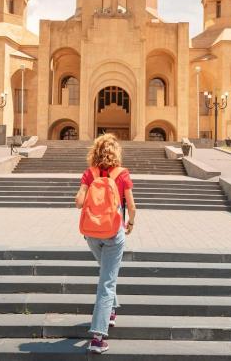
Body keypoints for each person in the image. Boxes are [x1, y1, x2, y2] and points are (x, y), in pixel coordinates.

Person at [75, 134, 137, 354]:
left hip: (91, 234)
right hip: (113, 233)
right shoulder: (122, 174)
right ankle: (98, 338)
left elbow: (79, 202)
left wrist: (88, 190)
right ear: (116, 152)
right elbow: (131, 205)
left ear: (96, 151)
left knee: (106, 273)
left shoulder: (89, 173)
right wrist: (131, 222)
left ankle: (111, 311)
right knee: (107, 281)